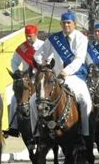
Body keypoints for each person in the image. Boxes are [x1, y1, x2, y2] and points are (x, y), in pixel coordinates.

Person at [29, 11, 93, 156]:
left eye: (69, 22)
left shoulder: (81, 38)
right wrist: (42, 64)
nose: (66, 25)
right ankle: (37, 135)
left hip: (75, 76)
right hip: (54, 77)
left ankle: (84, 135)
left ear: (74, 24)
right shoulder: (54, 39)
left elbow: (79, 59)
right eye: (64, 22)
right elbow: (37, 55)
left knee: (85, 101)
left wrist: (66, 71)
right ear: (61, 24)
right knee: (33, 100)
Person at [4, 24, 43, 137]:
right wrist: (17, 72)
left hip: (41, 78)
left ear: (36, 34)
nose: (28, 39)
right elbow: (14, 62)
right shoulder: (22, 48)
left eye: (30, 36)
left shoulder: (44, 45)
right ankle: (14, 127)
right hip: (27, 79)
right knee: (14, 99)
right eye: (26, 36)